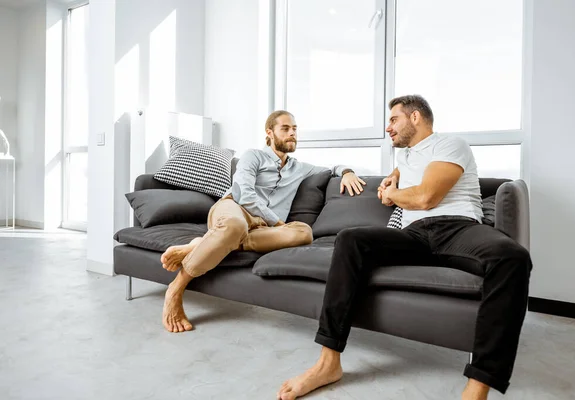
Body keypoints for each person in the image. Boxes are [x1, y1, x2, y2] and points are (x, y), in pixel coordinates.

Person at [277, 95, 532, 400]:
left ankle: (477, 387)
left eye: (393, 119)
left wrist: (392, 195)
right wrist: (394, 179)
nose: (388, 127)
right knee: (350, 239)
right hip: (414, 235)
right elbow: (407, 177)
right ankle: (327, 363)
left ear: (415, 117)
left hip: (458, 228)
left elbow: (426, 198)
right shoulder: (406, 157)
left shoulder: (450, 145)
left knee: (513, 258)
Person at [160, 110, 366, 333]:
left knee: (304, 232)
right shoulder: (253, 156)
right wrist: (276, 222)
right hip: (234, 209)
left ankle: (202, 243)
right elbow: (244, 194)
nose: (292, 134)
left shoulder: (300, 168)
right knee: (234, 226)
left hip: (262, 229)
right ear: (269, 132)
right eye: (285, 129)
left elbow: (331, 169)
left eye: (294, 129)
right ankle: (176, 288)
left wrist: (347, 172)